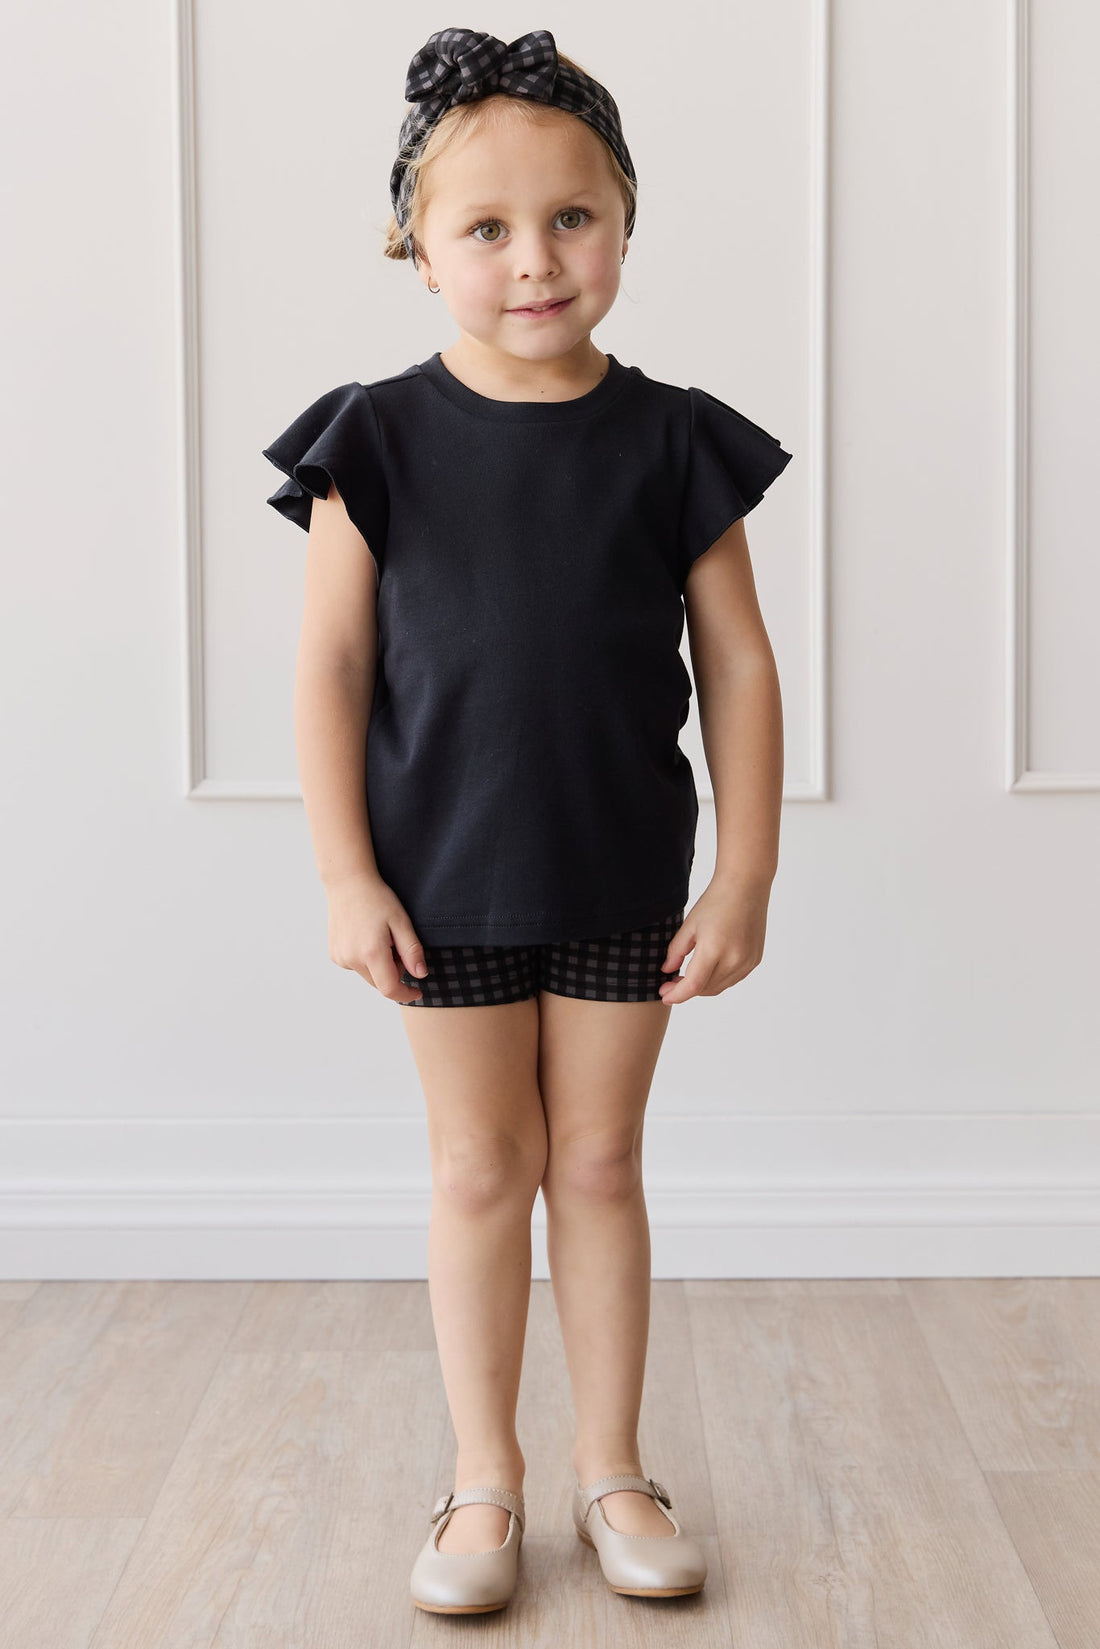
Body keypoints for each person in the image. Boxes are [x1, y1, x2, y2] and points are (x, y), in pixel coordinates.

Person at [262, 26, 793, 1617]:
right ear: (417, 250)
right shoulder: (374, 440)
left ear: (625, 224)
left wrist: (746, 872)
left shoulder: (676, 437)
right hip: (440, 878)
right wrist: (346, 874)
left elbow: (740, 665)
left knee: (604, 1161)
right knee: (484, 1166)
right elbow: (330, 665)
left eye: (573, 218)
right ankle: (483, 1473)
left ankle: (613, 1466)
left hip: (624, 869)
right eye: (486, 228)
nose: (536, 260)